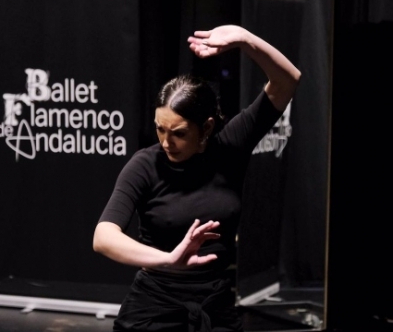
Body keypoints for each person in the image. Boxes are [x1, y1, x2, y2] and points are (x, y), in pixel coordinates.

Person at [93, 24, 301, 332]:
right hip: (155, 305)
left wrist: (245, 39)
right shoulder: (145, 165)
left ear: (205, 128)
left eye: (178, 133)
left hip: (215, 306)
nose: (166, 142)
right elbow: (103, 237)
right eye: (160, 129)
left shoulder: (231, 146)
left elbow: (287, 80)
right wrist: (168, 259)